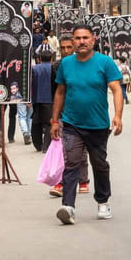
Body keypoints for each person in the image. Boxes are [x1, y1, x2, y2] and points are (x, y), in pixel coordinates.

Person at [51, 24, 123, 225]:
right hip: (72, 123)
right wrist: (55, 120)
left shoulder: (105, 62)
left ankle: (103, 201)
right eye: (77, 38)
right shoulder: (66, 64)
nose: (81, 41)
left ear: (93, 40)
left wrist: (117, 116)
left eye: (85, 37)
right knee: (72, 163)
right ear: (72, 41)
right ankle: (68, 207)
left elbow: (117, 90)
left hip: (98, 125)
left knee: (99, 164)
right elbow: (60, 92)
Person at [49, 35, 90, 198]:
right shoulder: (57, 66)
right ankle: (61, 182)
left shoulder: (85, 62)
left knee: (83, 150)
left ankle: (83, 181)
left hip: (85, 113)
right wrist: (54, 117)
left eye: (68, 47)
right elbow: (56, 92)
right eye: (62, 48)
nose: (66, 51)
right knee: (66, 149)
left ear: (74, 46)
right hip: (66, 114)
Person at [31, 51, 55, 152]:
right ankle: (46, 146)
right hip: (49, 99)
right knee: (49, 123)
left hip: (36, 99)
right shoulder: (53, 68)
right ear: (51, 59)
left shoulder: (34, 69)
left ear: (39, 58)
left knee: (36, 122)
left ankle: (38, 145)